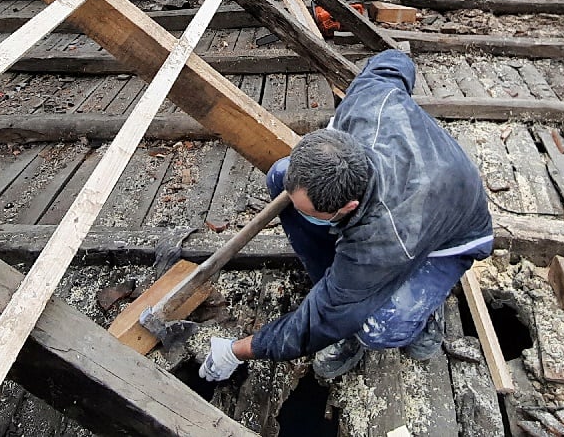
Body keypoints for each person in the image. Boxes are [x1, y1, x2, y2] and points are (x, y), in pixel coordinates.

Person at [198, 50, 494, 382]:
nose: (297, 215)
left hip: (448, 237)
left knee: (378, 328)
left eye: (310, 212)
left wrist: (235, 351)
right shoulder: (369, 100)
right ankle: (341, 286)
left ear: (349, 208)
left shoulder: (384, 238)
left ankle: (422, 311)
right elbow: (395, 60)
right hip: (418, 189)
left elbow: (317, 324)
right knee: (280, 175)